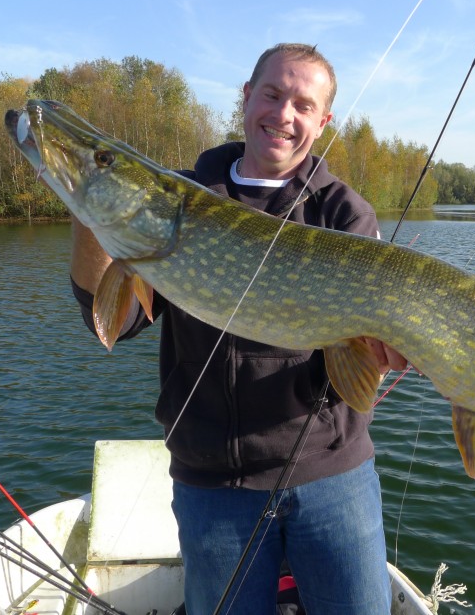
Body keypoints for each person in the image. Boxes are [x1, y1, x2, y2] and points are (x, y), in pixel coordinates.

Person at [70, 43, 406, 615]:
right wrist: (88, 211)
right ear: (247, 97)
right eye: (272, 94)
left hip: (332, 476)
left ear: (323, 122)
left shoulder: (344, 213)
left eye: (304, 105)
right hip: (213, 485)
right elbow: (115, 323)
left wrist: (382, 352)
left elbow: (362, 362)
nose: (284, 114)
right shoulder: (177, 201)